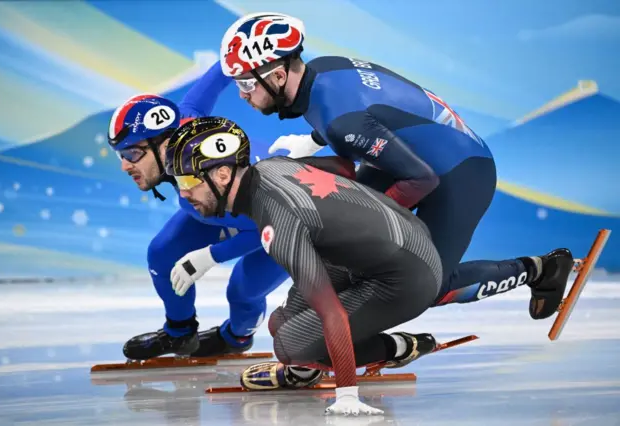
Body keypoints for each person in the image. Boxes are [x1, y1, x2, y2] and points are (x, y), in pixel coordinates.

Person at [218, 12, 574, 320]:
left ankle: (540, 269)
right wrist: (312, 142)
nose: (242, 94)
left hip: (460, 172)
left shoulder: (343, 122)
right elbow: (366, 114)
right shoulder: (323, 69)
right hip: (412, 157)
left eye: (246, 83)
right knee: (334, 241)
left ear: (278, 76)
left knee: (425, 286)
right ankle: (326, 332)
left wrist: (369, 227)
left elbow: (419, 177)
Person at [165, 116, 444, 416]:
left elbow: (331, 311)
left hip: (408, 278)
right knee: (279, 322)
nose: (183, 192)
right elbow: (344, 169)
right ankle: (313, 364)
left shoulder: (277, 223)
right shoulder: (271, 166)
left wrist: (347, 393)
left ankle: (397, 347)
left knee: (289, 345)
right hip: (400, 242)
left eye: (188, 180)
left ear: (221, 174)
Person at [107, 62, 289, 361]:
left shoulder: (223, 172)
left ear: (163, 144)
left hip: (276, 224)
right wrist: (236, 52)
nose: (125, 166)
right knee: (163, 252)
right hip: (216, 211)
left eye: (131, 154)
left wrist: (211, 256)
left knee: (243, 291)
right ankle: (180, 333)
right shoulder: (183, 124)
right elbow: (217, 77)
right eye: (121, 155)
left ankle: (236, 337)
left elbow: (267, 229)